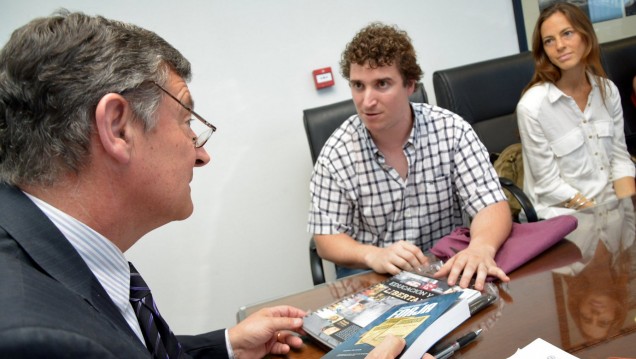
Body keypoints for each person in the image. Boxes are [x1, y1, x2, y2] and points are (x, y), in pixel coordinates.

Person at [0, 10, 311, 359]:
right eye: (186, 121)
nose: (202, 155)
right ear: (118, 128)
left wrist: (230, 344)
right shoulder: (37, 341)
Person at [307, 22, 512, 291]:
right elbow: (326, 238)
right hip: (376, 278)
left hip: (446, 268)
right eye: (358, 85)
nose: (367, 101)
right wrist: (373, 254)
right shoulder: (337, 153)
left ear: (410, 85)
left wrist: (480, 248)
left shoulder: (451, 129)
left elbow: (490, 204)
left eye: (382, 84)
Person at [516, 2, 636, 220]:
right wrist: (600, 215)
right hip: (562, 215)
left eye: (567, 34)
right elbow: (548, 186)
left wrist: (628, 210)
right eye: (549, 41)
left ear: (586, 36)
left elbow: (619, 159)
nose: (559, 45)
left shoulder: (607, 91)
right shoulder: (532, 106)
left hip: (611, 207)